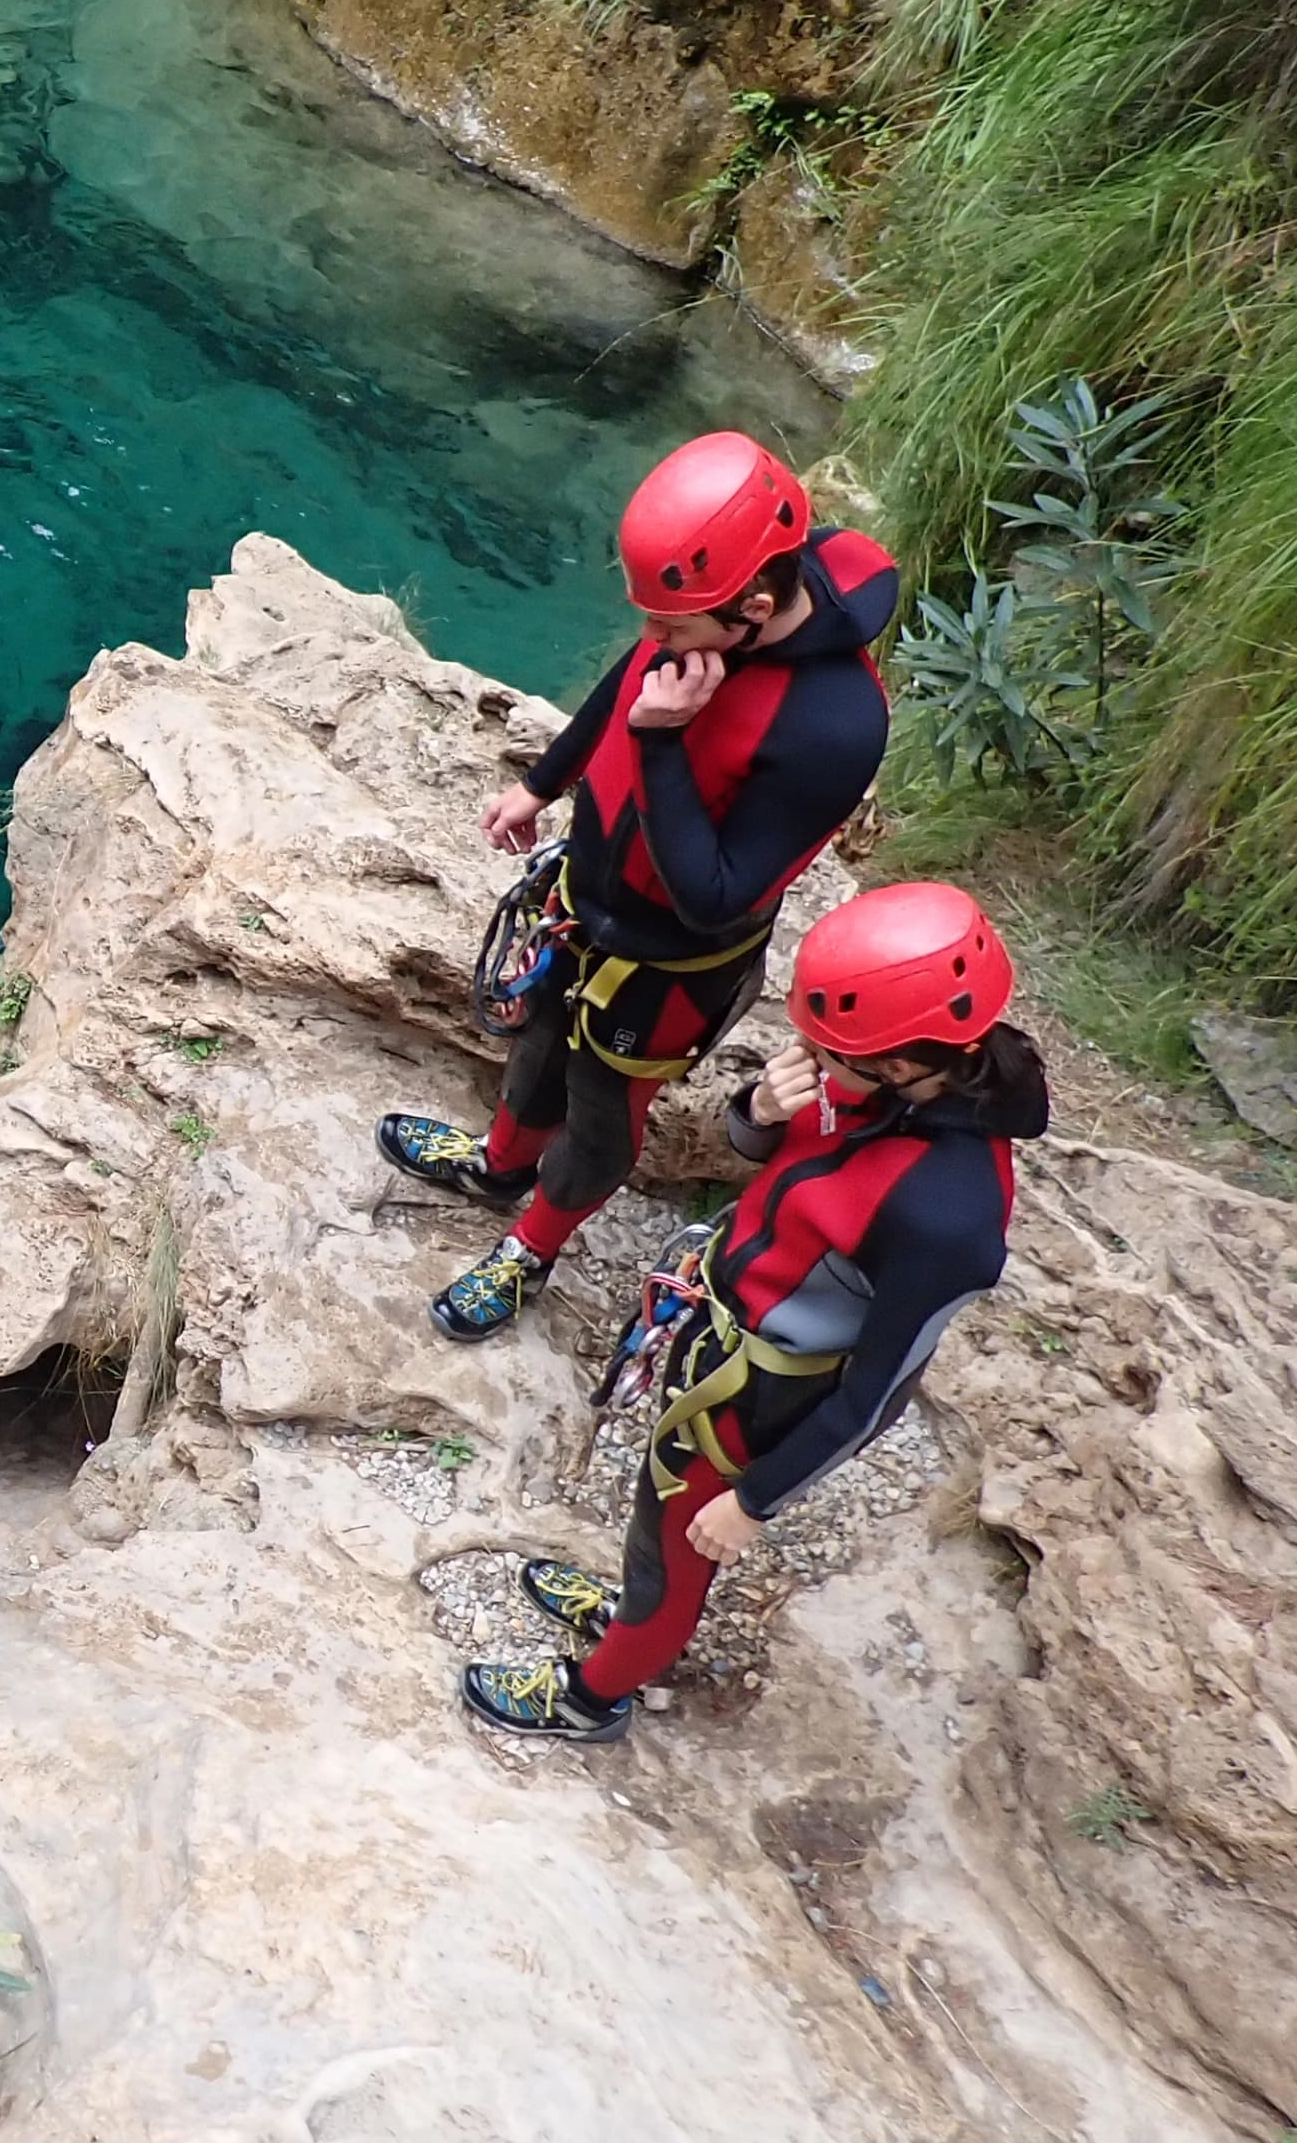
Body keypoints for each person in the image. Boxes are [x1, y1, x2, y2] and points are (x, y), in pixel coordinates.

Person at [461, 882, 1046, 1741]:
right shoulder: (891, 1087)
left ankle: (593, 1699)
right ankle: (627, 1613)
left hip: (756, 1403)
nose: (811, 1055)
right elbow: (773, 1166)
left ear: (897, 1060)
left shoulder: (949, 1217)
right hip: (721, 1338)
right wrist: (759, 1113)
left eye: (828, 1048)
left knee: (679, 1558)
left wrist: (756, 1500)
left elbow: (877, 1395)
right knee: (656, 1525)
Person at [375, 432, 896, 1340]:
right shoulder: (709, 613)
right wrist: (543, 781)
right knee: (536, 1050)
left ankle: (530, 1247)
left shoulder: (835, 725)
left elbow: (716, 894)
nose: (652, 640)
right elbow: (628, 681)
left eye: (670, 626)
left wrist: (660, 742)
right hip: (584, 904)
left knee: (601, 1114)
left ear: (757, 608)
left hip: (670, 963)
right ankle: (498, 1166)